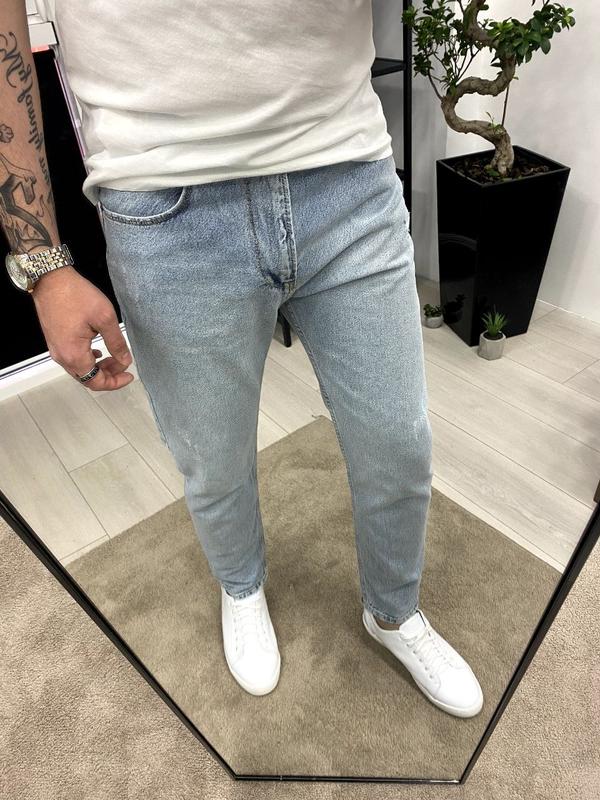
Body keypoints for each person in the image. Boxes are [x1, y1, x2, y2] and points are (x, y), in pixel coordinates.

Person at [0, 0, 483, 717]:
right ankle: (242, 586)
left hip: (345, 170)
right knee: (213, 458)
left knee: (397, 440)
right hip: (163, 200)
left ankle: (392, 612)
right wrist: (41, 260)